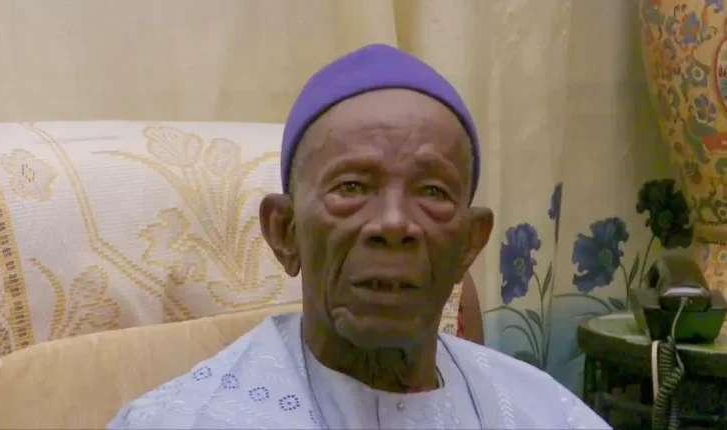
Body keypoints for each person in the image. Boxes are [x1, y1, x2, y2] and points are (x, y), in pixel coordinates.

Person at [108, 44, 611, 430]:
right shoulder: (183, 420)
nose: (393, 224)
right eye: (352, 187)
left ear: (469, 244)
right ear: (284, 232)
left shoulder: (544, 411)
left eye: (432, 191)